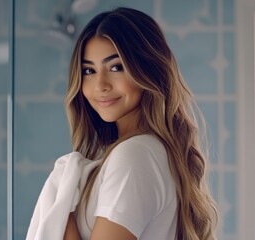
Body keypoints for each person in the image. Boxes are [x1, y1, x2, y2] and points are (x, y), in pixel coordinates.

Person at [63, 7, 217, 240]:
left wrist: (61, 212)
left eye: (116, 67)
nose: (100, 85)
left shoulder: (134, 155)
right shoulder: (147, 151)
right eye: (89, 70)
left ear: (148, 68)